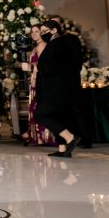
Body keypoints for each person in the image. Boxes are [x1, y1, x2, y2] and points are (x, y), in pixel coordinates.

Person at [34, 20, 81, 157]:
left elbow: (52, 66)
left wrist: (37, 68)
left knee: (40, 114)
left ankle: (70, 138)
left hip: (54, 90)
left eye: (44, 31)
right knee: (57, 117)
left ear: (54, 30)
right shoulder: (61, 44)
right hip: (60, 89)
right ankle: (62, 149)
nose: (42, 34)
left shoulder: (57, 44)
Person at [49, 15, 90, 148]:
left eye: (55, 24)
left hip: (70, 80)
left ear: (60, 26)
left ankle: (84, 139)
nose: (53, 27)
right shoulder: (49, 41)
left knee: (76, 109)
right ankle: (69, 138)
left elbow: (77, 59)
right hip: (57, 83)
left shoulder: (70, 38)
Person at [21, 25, 54, 146]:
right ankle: (36, 136)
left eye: (37, 31)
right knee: (34, 107)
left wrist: (29, 68)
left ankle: (44, 137)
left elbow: (41, 66)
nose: (34, 34)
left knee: (39, 108)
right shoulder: (35, 47)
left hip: (39, 82)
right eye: (32, 32)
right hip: (34, 81)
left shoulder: (42, 45)